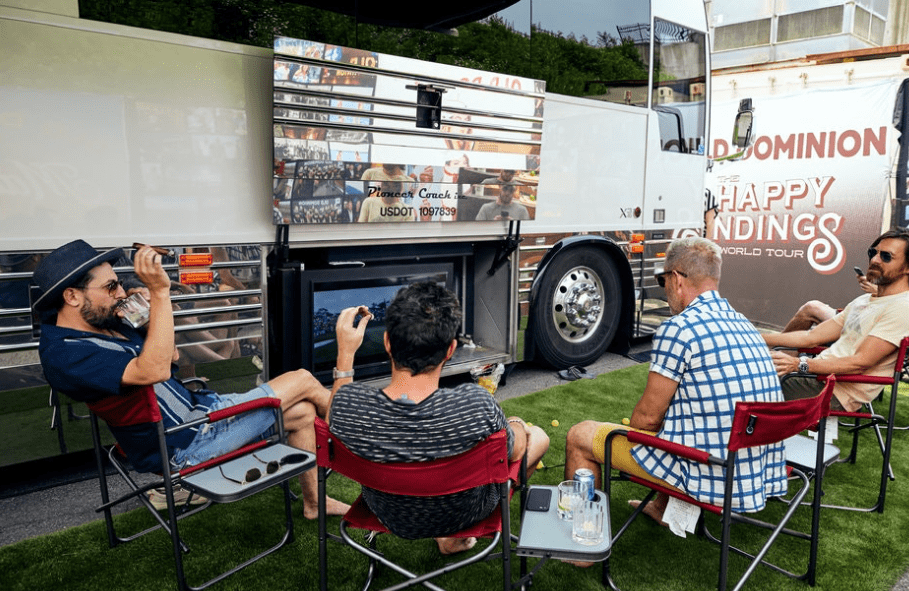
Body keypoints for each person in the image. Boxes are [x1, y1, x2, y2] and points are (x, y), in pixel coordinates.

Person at [33, 239, 348, 519]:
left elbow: (171, 358)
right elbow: (155, 371)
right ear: (72, 296)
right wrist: (160, 291)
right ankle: (361, 438)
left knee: (304, 413)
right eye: (110, 287)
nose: (120, 293)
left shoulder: (105, 322)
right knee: (304, 379)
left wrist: (149, 311)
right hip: (188, 444)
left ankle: (315, 503)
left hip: (203, 414)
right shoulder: (63, 354)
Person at [564, 237, 786, 529]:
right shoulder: (745, 323)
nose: (664, 287)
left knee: (581, 436)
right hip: (754, 470)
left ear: (677, 279)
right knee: (680, 421)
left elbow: (647, 419)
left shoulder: (679, 327)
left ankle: (581, 542)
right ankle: (661, 508)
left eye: (662, 279)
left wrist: (626, 436)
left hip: (707, 471)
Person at [327, 281, 549, 555]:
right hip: (464, 514)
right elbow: (515, 451)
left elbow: (332, 428)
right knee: (537, 437)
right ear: (450, 349)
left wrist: (346, 353)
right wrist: (514, 422)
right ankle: (452, 538)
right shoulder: (476, 405)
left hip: (389, 514)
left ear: (387, 342)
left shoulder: (351, 406)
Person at [763, 228, 909, 412]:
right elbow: (810, 338)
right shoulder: (866, 300)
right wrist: (756, 336)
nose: (874, 260)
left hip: (833, 390)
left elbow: (859, 363)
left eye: (886, 256)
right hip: (818, 377)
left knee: (745, 383)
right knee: (746, 374)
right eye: (873, 253)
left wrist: (799, 364)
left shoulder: (905, 308)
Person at [781, 222, 909, 332]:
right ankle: (780, 359)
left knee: (812, 309)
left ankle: (773, 359)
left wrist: (878, 292)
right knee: (811, 323)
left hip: (873, 328)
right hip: (867, 318)